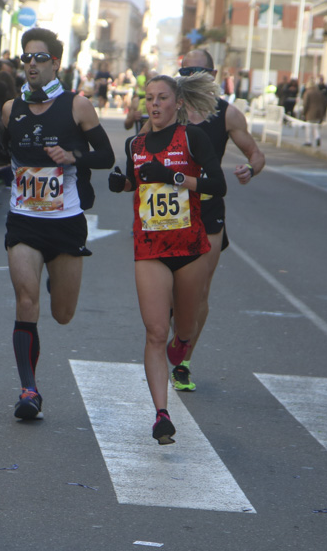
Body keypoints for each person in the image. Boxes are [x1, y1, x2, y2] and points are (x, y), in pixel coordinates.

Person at [0, 27, 115, 420]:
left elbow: (105, 156)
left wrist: (72, 155)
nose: (31, 64)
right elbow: (3, 152)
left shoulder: (76, 106)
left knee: (62, 313)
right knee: (26, 300)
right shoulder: (10, 108)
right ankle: (28, 390)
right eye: (25, 58)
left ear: (55, 63)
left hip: (65, 222)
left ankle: (54, 273)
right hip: (24, 221)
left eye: (39, 58)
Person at [106, 72, 226, 444]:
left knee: (183, 330)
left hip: (189, 248)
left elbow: (217, 185)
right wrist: (121, 183)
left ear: (177, 103)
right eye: (149, 98)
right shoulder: (134, 143)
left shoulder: (193, 137)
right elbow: (134, 180)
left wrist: (175, 177)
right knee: (156, 332)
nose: (154, 104)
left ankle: (184, 343)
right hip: (150, 249)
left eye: (161, 98)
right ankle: (161, 414)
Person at [168, 49, 265, 392]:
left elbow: (256, 153)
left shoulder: (227, 114)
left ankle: (183, 362)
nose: (189, 75)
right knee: (169, 289)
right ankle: (171, 331)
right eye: (184, 70)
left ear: (212, 74)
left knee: (199, 291)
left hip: (208, 209)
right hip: (169, 209)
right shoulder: (169, 108)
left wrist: (249, 169)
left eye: (196, 70)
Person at [302, 79, 327, 146]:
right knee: (316, 126)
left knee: (309, 127)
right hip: (319, 112)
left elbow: (305, 104)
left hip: (310, 112)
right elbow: (324, 102)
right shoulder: (319, 92)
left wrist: (304, 113)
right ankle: (317, 137)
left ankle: (308, 141)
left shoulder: (308, 93)